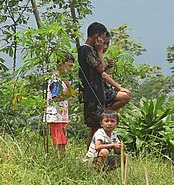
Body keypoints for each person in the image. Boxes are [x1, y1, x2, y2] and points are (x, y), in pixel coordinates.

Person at [78, 22, 131, 150]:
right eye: (102, 38)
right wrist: (100, 51)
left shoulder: (90, 50)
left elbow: (97, 71)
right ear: (96, 36)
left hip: (98, 93)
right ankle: (90, 154)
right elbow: (101, 70)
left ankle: (90, 153)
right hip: (93, 94)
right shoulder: (86, 50)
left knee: (95, 126)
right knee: (95, 127)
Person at [44, 52, 74, 157]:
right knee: (59, 141)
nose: (70, 69)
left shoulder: (63, 80)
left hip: (61, 116)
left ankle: (61, 159)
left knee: (63, 141)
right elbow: (56, 97)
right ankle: (59, 160)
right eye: (69, 66)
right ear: (61, 64)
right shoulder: (56, 80)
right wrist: (68, 92)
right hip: (55, 116)